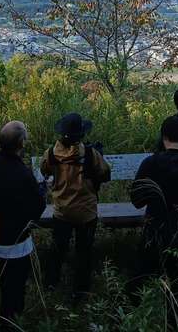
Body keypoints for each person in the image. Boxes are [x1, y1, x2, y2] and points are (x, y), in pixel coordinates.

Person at [0, 121, 46, 326]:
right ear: (22, 143)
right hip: (15, 246)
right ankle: (8, 324)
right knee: (13, 296)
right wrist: (42, 192)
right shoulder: (24, 174)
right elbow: (36, 209)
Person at [130, 115, 178, 291]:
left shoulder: (150, 163)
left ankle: (132, 305)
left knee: (139, 279)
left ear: (164, 136)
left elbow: (136, 200)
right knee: (177, 284)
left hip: (153, 231)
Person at [40, 113, 111, 300]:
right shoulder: (90, 154)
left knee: (57, 249)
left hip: (61, 211)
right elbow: (105, 174)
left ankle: (50, 284)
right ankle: (81, 290)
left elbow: (44, 170)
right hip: (86, 212)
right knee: (84, 252)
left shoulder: (50, 153)